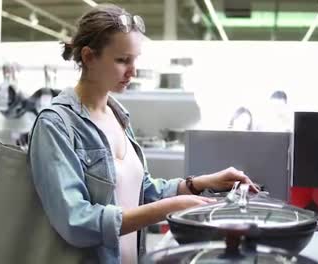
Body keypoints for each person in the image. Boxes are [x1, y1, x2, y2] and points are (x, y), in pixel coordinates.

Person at [28, 4, 257, 264]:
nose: (133, 71)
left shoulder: (118, 114)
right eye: (122, 60)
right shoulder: (56, 125)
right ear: (89, 57)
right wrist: (168, 209)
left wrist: (200, 183)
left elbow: (142, 191)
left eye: (135, 59)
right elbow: (76, 221)